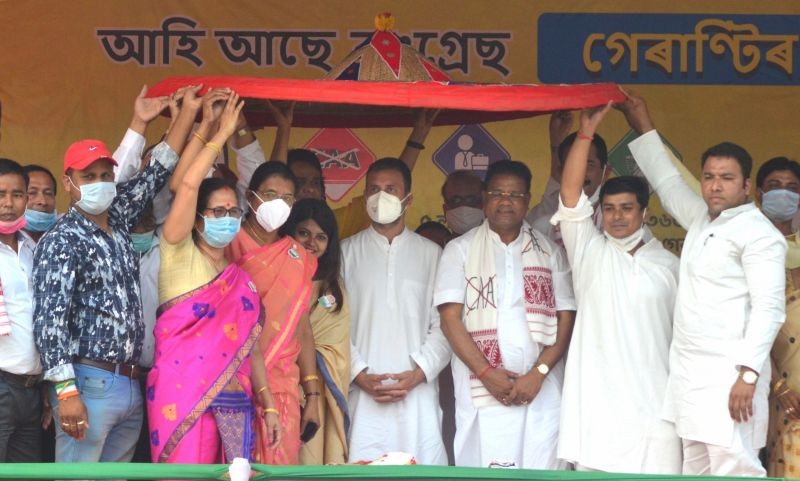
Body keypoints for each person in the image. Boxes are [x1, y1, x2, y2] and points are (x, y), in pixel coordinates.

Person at [620, 89, 786, 476]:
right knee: (694, 468)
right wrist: (641, 123)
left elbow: (769, 309)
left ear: (747, 186)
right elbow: (666, 181)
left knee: (736, 468)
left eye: (726, 179)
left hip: (732, 379)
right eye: (709, 177)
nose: (714, 186)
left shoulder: (759, 235)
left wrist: (748, 374)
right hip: (690, 376)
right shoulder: (701, 219)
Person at [31, 84, 198, 466]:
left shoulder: (119, 220)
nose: (100, 182)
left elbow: (158, 169)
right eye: (88, 176)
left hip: (128, 380)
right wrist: (66, 391)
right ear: (70, 183)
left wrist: (184, 113)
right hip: (87, 383)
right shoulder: (63, 238)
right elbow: (50, 319)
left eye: (106, 174)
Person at [148, 92, 280, 464]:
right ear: (198, 216)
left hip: (236, 399)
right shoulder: (177, 248)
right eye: (217, 210)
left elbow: (250, 345)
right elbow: (186, 186)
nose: (227, 216)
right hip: (182, 397)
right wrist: (220, 132)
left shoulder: (240, 278)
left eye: (233, 210)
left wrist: (267, 402)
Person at [552, 104, 681, 473]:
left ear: (644, 212)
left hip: (658, 416)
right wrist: (585, 133)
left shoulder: (670, 267)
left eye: (627, 208)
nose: (618, 216)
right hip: (599, 415)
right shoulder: (590, 252)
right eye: (609, 209)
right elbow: (571, 193)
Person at [434, 160, 576, 468]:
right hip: (482, 389)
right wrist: (487, 374)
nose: (506, 201)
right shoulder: (459, 250)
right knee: (487, 467)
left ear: (527, 201)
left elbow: (565, 317)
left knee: (542, 468)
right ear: (485, 198)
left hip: (541, 389)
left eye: (515, 194)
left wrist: (538, 373)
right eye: (498, 192)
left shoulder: (550, 251)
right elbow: (449, 319)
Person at [343, 157, 451, 464]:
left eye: (391, 189)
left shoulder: (433, 255)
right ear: (364, 197)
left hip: (417, 396)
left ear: (408, 199)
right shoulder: (344, 253)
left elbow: (445, 323)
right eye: (374, 189)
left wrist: (419, 373)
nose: (381, 197)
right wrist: (358, 373)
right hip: (362, 395)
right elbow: (332, 325)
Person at [225, 161, 320, 465]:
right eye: (269, 194)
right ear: (251, 198)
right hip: (231, 383)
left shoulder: (298, 257)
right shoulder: (227, 243)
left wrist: (313, 395)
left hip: (282, 387)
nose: (277, 203)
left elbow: (301, 328)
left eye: (287, 198)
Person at [232, 104, 437, 239]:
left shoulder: (337, 222)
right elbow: (264, 169)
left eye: (315, 182)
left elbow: (391, 184)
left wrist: (418, 136)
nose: (310, 189)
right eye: (300, 183)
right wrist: (283, 130)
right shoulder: (269, 224)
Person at [281, 198, 351, 465]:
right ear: (290, 232)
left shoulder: (331, 292)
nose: (311, 243)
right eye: (304, 233)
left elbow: (336, 350)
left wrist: (305, 362)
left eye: (321, 237)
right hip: (275, 385)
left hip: (315, 395)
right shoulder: (275, 278)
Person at [753, 157, 800, 477]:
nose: (783, 194)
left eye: (792, 188)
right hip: (780, 391)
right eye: (774, 187)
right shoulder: (749, 249)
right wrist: (779, 386)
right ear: (757, 194)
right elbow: (748, 327)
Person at [0, 158, 45, 463]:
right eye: (0, 194)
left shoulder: (34, 248)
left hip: (32, 389)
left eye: (17, 195)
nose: (8, 203)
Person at [21, 165, 58, 242]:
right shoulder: (6, 242)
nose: (42, 201)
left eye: (48, 193)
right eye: (32, 193)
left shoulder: (66, 236)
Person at [441, 170, 484, 236]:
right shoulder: (436, 246)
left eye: (471, 200)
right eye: (456, 201)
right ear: (445, 210)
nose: (463, 206)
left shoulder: (500, 245)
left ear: (484, 206)